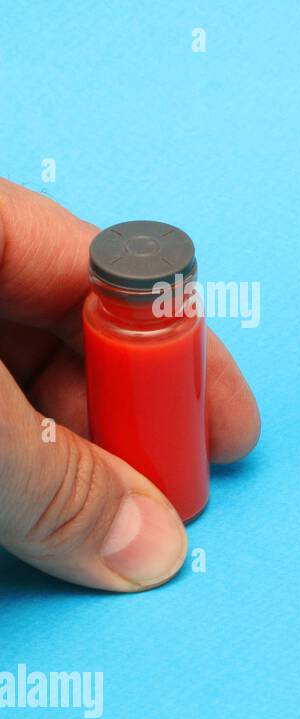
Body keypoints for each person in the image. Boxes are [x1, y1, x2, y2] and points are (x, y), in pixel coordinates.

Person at [0, 179, 260, 592]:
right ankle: (128, 500)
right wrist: (68, 505)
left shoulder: (183, 314)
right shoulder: (98, 313)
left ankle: (165, 496)